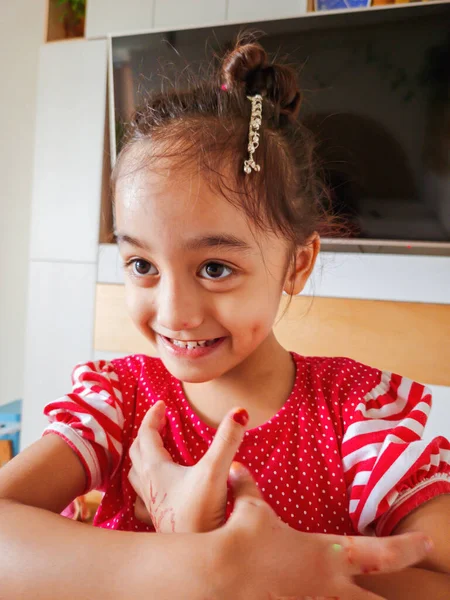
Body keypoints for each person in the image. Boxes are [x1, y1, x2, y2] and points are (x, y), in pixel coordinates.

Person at [0, 36, 449, 600]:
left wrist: (271, 566)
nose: (174, 313)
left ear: (297, 264)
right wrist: (198, 565)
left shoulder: (357, 418)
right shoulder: (118, 403)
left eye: (214, 268)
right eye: (141, 263)